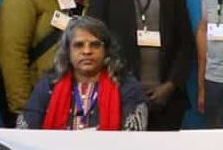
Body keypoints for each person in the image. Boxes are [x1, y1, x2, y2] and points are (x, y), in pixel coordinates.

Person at [87, 0, 194, 131]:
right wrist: (125, 88)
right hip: (117, 94)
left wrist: (170, 86)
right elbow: (94, 39)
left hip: (166, 97)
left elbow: (185, 42)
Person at [18, 17, 150, 131]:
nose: (87, 51)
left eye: (95, 45)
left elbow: (133, 140)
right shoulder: (48, 85)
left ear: (106, 50)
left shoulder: (126, 85)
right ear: (67, 51)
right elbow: (25, 133)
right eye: (79, 45)